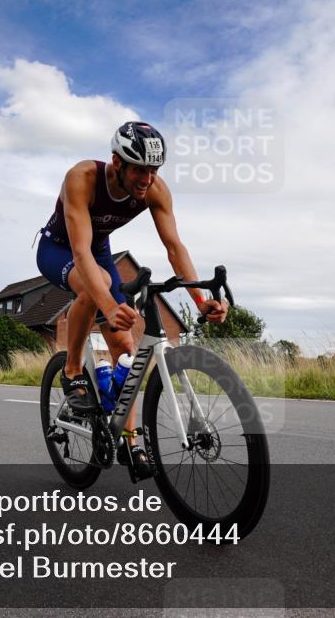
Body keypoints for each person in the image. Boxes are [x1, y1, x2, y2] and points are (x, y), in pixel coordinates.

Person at [36, 121, 228, 478]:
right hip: (59, 249)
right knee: (98, 286)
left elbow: (175, 247)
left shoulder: (155, 189)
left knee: (126, 349)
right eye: (139, 169)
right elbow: (80, 253)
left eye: (154, 170)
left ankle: (129, 441)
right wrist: (109, 306)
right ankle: (73, 370)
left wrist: (200, 301)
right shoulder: (82, 178)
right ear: (117, 162)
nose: (147, 179)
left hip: (99, 251)